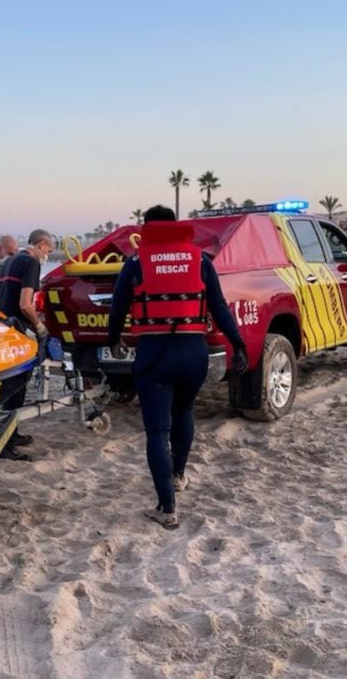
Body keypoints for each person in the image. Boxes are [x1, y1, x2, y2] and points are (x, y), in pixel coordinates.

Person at [107, 205, 246, 530]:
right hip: (193, 351)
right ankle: (179, 475)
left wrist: (113, 340)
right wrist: (237, 342)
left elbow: (118, 308)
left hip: (155, 353)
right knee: (184, 413)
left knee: (157, 430)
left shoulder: (136, 262)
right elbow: (220, 306)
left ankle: (167, 507)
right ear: (175, 226)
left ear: (148, 228)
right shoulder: (200, 260)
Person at [0, 229, 55, 460]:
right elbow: (25, 304)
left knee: (9, 383)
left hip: (0, 326)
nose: (47, 255)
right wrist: (39, 327)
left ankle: (13, 432)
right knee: (17, 384)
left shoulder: (10, 261)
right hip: (14, 329)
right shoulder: (31, 262)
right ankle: (6, 444)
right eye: (48, 250)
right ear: (40, 245)